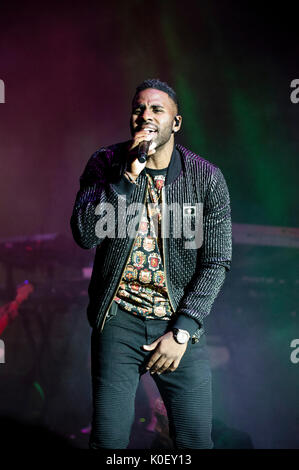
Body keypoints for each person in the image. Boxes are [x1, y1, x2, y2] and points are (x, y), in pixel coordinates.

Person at [70, 78, 232, 449]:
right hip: (119, 322)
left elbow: (216, 260)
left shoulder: (205, 178)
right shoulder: (106, 163)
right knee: (108, 441)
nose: (146, 116)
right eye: (139, 108)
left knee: (195, 441)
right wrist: (126, 179)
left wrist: (182, 331)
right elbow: (85, 235)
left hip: (177, 324)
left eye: (157, 109)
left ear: (175, 123)